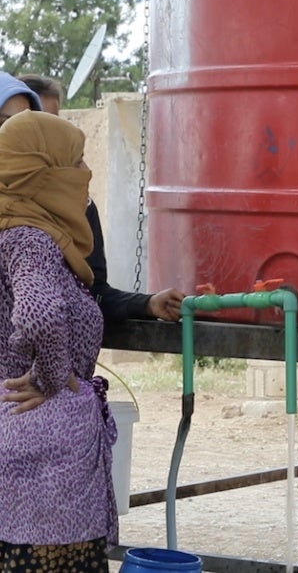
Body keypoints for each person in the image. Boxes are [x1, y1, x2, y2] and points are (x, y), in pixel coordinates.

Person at [0, 110, 116, 572]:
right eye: (77, 161)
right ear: (41, 173)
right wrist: (50, 376)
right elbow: (39, 313)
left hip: (27, 443)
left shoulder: (13, 228)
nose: (85, 172)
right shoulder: (31, 239)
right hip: (46, 449)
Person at [16, 73, 185, 322]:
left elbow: (93, 293)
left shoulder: (81, 207)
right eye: (38, 124)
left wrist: (146, 304)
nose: (52, 135)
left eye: (55, 123)